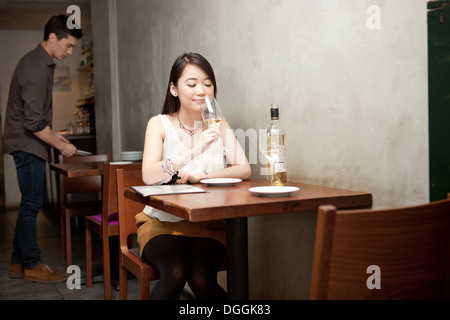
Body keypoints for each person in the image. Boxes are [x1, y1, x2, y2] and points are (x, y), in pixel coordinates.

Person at [138, 52, 252, 299]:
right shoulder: (158, 124)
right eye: (192, 84)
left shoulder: (218, 123)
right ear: (174, 89)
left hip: (207, 222)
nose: (201, 90)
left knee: (201, 279)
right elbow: (148, 175)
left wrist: (201, 175)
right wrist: (193, 150)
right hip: (162, 222)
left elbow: (244, 169)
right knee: (176, 272)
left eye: (208, 84)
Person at [2, 14, 82, 283]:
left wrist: (56, 137)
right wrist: (62, 145)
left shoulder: (40, 62)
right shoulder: (35, 67)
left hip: (28, 142)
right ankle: (33, 264)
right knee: (32, 204)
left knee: (28, 203)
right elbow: (34, 123)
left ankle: (17, 263)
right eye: (68, 45)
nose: (70, 52)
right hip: (27, 144)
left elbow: (36, 117)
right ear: (52, 38)